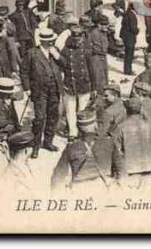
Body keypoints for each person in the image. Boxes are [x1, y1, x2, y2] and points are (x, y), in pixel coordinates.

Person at [51, 109, 125, 191]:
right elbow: (121, 170)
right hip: (104, 189)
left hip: (80, 190)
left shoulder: (71, 148)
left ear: (78, 128)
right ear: (96, 125)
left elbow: (58, 177)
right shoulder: (109, 143)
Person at [20, 28, 62, 158]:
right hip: (40, 90)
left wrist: (57, 56)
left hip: (54, 89)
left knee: (53, 117)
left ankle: (48, 142)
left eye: (51, 40)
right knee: (39, 118)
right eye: (48, 40)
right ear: (42, 41)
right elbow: (24, 71)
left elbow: (65, 65)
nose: (50, 42)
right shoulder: (32, 53)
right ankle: (36, 145)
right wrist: (27, 88)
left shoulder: (55, 52)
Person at [59, 19, 94, 141]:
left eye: (79, 39)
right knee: (70, 110)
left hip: (84, 84)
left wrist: (93, 87)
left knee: (82, 110)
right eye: (75, 39)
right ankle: (72, 133)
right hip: (70, 84)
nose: (77, 41)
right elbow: (61, 65)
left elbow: (91, 69)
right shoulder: (66, 49)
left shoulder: (87, 50)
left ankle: (83, 130)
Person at [87, 16, 110, 97]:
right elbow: (88, 48)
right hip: (95, 57)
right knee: (97, 78)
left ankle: (103, 94)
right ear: (99, 25)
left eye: (107, 24)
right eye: (104, 24)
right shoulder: (93, 33)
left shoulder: (104, 33)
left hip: (103, 57)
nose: (106, 26)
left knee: (104, 77)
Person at [120, 1, 139, 76]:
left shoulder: (127, 13)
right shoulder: (132, 15)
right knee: (129, 54)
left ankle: (126, 69)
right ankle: (128, 71)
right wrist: (137, 30)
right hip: (130, 37)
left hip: (125, 36)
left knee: (127, 53)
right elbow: (133, 28)